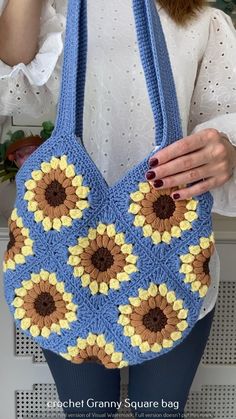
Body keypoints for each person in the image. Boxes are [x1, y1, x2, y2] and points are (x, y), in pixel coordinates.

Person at [0, 0, 236, 418]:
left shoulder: (203, 19)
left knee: (159, 413)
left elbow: (223, 122)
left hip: (169, 258)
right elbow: (16, 94)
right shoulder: (55, 12)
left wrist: (227, 151)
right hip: (66, 266)